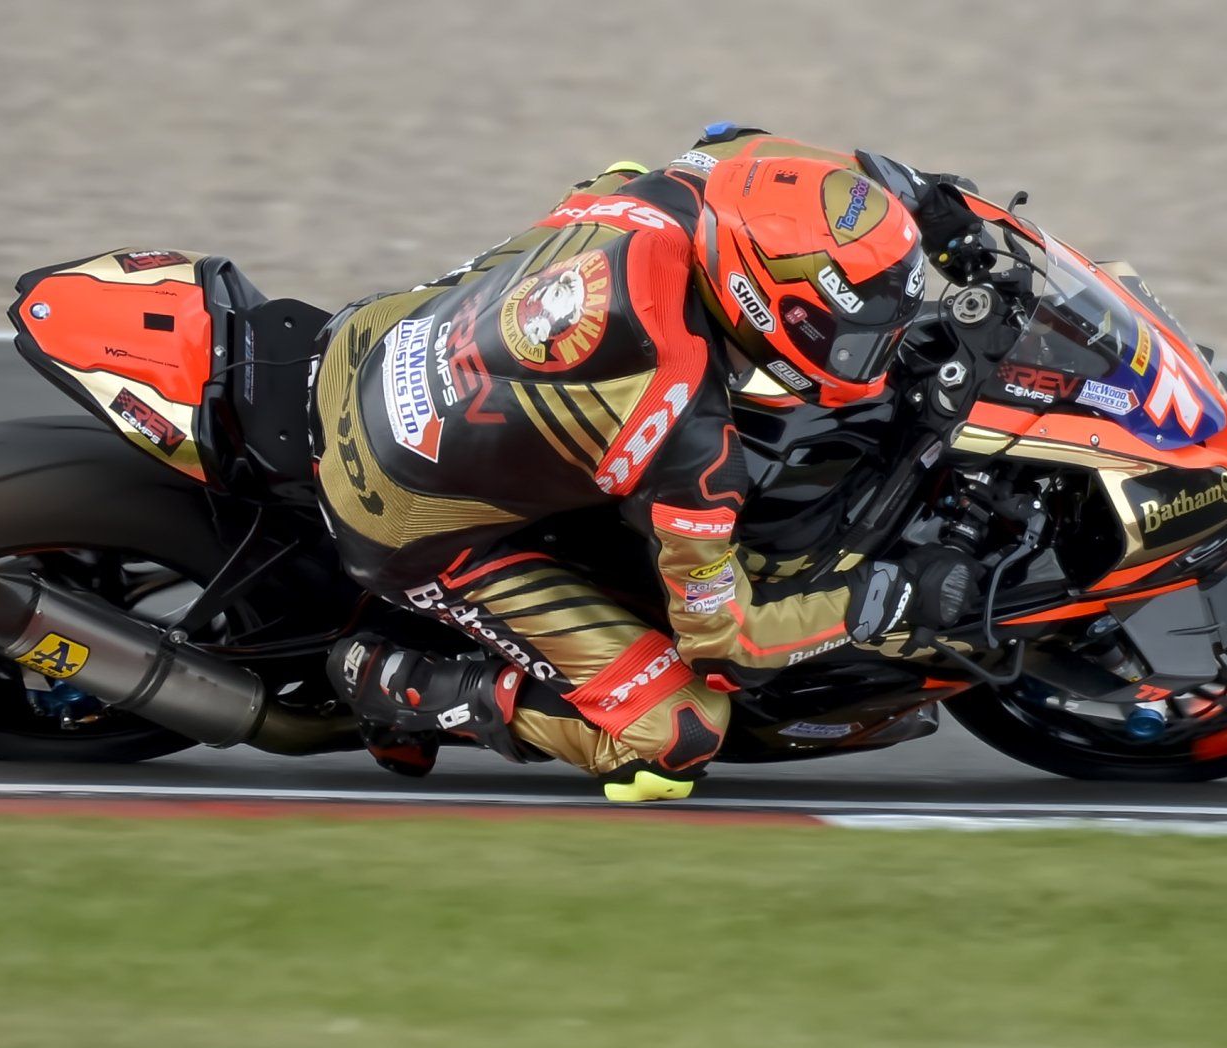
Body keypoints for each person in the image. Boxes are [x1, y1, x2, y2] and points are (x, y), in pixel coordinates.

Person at [312, 124, 981, 802]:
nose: (870, 354)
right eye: (851, 336)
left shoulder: (709, 178)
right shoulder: (684, 433)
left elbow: (783, 160)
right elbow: (726, 646)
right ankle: (399, 682)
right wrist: (886, 600)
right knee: (676, 732)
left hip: (369, 340)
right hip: (395, 512)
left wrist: (930, 203)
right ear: (765, 306)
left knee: (619, 176)